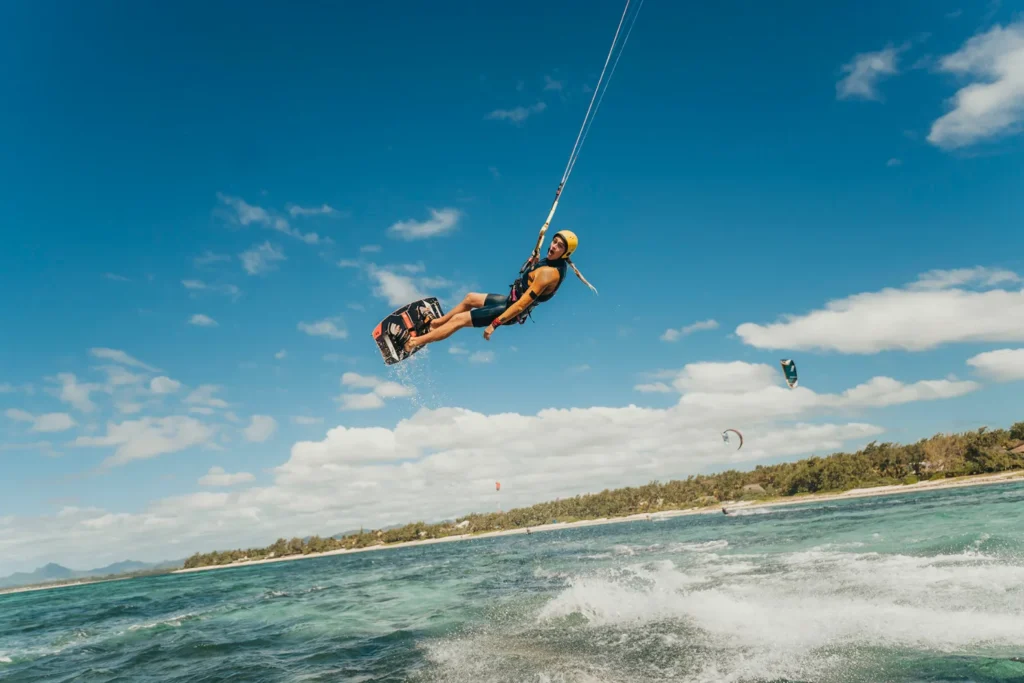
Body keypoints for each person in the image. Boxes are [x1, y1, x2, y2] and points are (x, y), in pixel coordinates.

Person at [402, 230, 588, 354]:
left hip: (511, 311)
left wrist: (495, 324)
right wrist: (535, 259)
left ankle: (413, 343)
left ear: (566, 253)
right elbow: (534, 270)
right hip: (509, 300)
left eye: (559, 246)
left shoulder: (549, 275)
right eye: (554, 242)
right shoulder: (551, 261)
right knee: (470, 298)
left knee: (459, 320)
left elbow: (523, 304)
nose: (553, 247)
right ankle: (436, 323)